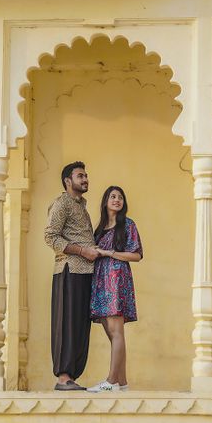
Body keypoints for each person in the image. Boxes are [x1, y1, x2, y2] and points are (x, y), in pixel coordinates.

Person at [44, 161, 99, 391]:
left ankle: (71, 377)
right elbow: (50, 237)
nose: (85, 179)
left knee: (79, 325)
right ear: (68, 181)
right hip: (69, 270)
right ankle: (63, 377)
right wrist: (82, 251)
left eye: (86, 175)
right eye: (80, 176)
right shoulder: (62, 203)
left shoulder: (81, 206)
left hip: (85, 272)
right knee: (67, 323)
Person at [87, 185, 143, 392]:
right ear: (105, 201)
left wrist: (109, 253)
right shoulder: (100, 228)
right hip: (101, 281)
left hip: (117, 279)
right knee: (112, 333)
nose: (117, 200)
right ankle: (123, 382)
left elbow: (136, 254)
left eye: (120, 197)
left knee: (117, 331)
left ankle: (111, 382)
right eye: (113, 196)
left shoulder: (128, 225)